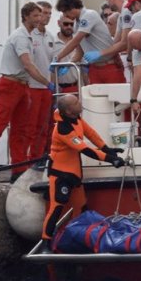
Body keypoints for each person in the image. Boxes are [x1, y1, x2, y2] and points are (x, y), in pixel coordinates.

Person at [0, 2, 55, 186]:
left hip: (22, 85)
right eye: (36, 16)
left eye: (40, 15)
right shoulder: (21, 37)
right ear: (26, 16)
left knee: (20, 130)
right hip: (11, 85)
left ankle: (18, 169)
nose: (39, 19)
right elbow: (28, 63)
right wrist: (47, 83)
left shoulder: (28, 36)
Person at [41, 95, 125, 245]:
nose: (79, 102)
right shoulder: (63, 129)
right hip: (60, 174)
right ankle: (46, 242)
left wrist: (108, 150)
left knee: (80, 207)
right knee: (57, 207)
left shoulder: (76, 119)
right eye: (75, 102)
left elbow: (91, 134)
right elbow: (85, 149)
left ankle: (78, 238)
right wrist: (111, 160)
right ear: (68, 111)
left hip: (74, 174)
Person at [54, 0, 125, 84]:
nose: (64, 14)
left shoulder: (89, 15)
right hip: (94, 68)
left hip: (109, 66)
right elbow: (79, 51)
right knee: (95, 98)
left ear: (72, 7)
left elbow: (76, 40)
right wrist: (69, 64)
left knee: (116, 97)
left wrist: (58, 57)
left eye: (64, 11)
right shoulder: (77, 24)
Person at [25, 1, 59, 164]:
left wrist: (52, 87)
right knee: (30, 125)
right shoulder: (29, 36)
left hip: (46, 87)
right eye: (43, 13)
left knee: (44, 126)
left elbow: (52, 64)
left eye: (48, 13)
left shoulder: (50, 36)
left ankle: (39, 158)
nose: (45, 17)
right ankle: (27, 159)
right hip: (33, 86)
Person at [55, 16, 81, 94]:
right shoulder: (51, 42)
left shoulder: (79, 42)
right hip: (59, 88)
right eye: (66, 24)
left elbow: (84, 69)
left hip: (76, 87)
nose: (69, 27)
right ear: (59, 23)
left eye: (72, 24)